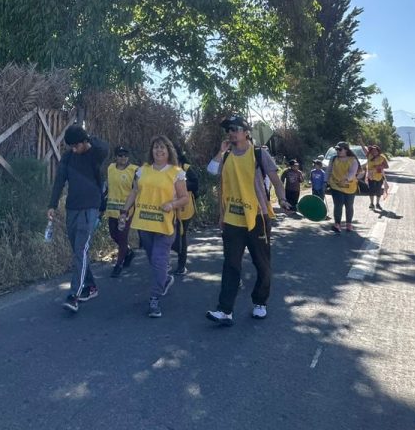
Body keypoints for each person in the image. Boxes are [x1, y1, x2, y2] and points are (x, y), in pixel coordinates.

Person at [204, 116, 289, 326]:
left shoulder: (259, 154)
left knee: (262, 264)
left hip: (257, 217)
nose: (231, 133)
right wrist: (221, 215)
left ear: (246, 132)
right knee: (231, 264)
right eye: (229, 130)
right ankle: (225, 310)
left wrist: (284, 200)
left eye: (235, 129)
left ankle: (260, 302)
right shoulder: (226, 156)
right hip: (233, 219)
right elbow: (211, 171)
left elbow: (276, 181)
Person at [119, 136, 189, 318]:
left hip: (164, 225)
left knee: (159, 260)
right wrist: (124, 211)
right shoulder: (143, 171)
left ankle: (155, 299)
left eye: (162, 148)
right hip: (144, 223)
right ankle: (164, 280)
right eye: (156, 148)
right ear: (152, 151)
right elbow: (134, 192)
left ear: (169, 151)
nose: (159, 151)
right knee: (154, 260)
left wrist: (172, 205)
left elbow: (184, 198)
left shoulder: (176, 172)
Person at [48, 123, 109, 313]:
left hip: (90, 207)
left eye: (77, 145)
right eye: (71, 147)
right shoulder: (68, 157)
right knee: (77, 250)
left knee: (81, 249)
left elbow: (104, 147)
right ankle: (91, 286)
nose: (74, 150)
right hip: (72, 207)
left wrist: (88, 139)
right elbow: (59, 180)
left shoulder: (95, 154)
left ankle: (74, 295)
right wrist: (52, 204)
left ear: (85, 142)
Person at [104, 146, 137, 277]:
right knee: (114, 235)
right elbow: (107, 186)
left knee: (122, 237)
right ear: (116, 157)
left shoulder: (134, 170)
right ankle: (128, 252)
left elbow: (136, 190)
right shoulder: (110, 168)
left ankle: (119, 264)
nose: (123, 158)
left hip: (125, 211)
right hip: (112, 209)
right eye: (120, 155)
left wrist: (129, 208)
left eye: (125, 155)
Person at [171, 144, 199, 277]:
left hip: (185, 208)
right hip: (170, 207)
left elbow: (195, 184)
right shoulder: (164, 169)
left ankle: (181, 266)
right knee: (170, 236)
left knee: (181, 235)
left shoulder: (186, 168)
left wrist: (180, 184)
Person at [327, 141, 361, 233]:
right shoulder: (333, 159)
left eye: (340, 149)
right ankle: (337, 224)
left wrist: (346, 179)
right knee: (338, 205)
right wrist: (325, 181)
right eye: (336, 149)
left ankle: (349, 224)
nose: (337, 151)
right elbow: (329, 170)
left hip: (350, 187)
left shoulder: (353, 160)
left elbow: (352, 173)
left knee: (349, 205)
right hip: (336, 186)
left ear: (346, 150)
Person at [365, 144, 390, 211]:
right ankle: (371, 203)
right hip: (371, 176)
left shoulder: (382, 157)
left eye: (375, 150)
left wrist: (379, 166)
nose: (374, 151)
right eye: (373, 150)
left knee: (378, 190)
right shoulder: (369, 156)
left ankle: (377, 203)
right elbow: (364, 149)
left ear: (378, 151)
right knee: (371, 190)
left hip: (379, 176)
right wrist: (361, 142)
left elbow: (387, 166)